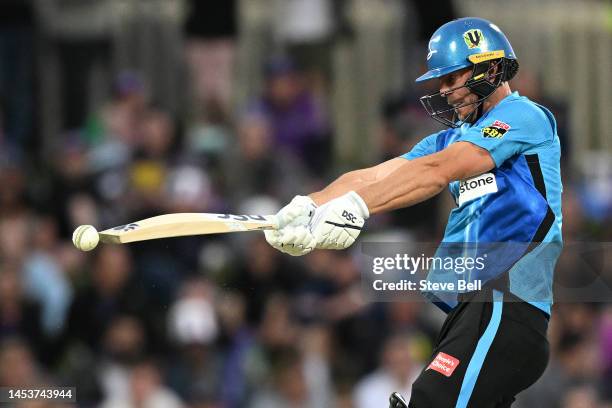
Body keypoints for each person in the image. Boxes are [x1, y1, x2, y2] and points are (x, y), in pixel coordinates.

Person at [264, 17, 563, 407]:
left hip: (504, 307)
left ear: (491, 68)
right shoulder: (450, 138)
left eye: (451, 78)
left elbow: (438, 171)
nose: (444, 91)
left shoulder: (524, 116)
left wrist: (357, 208)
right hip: (471, 313)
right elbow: (376, 174)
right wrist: (311, 204)